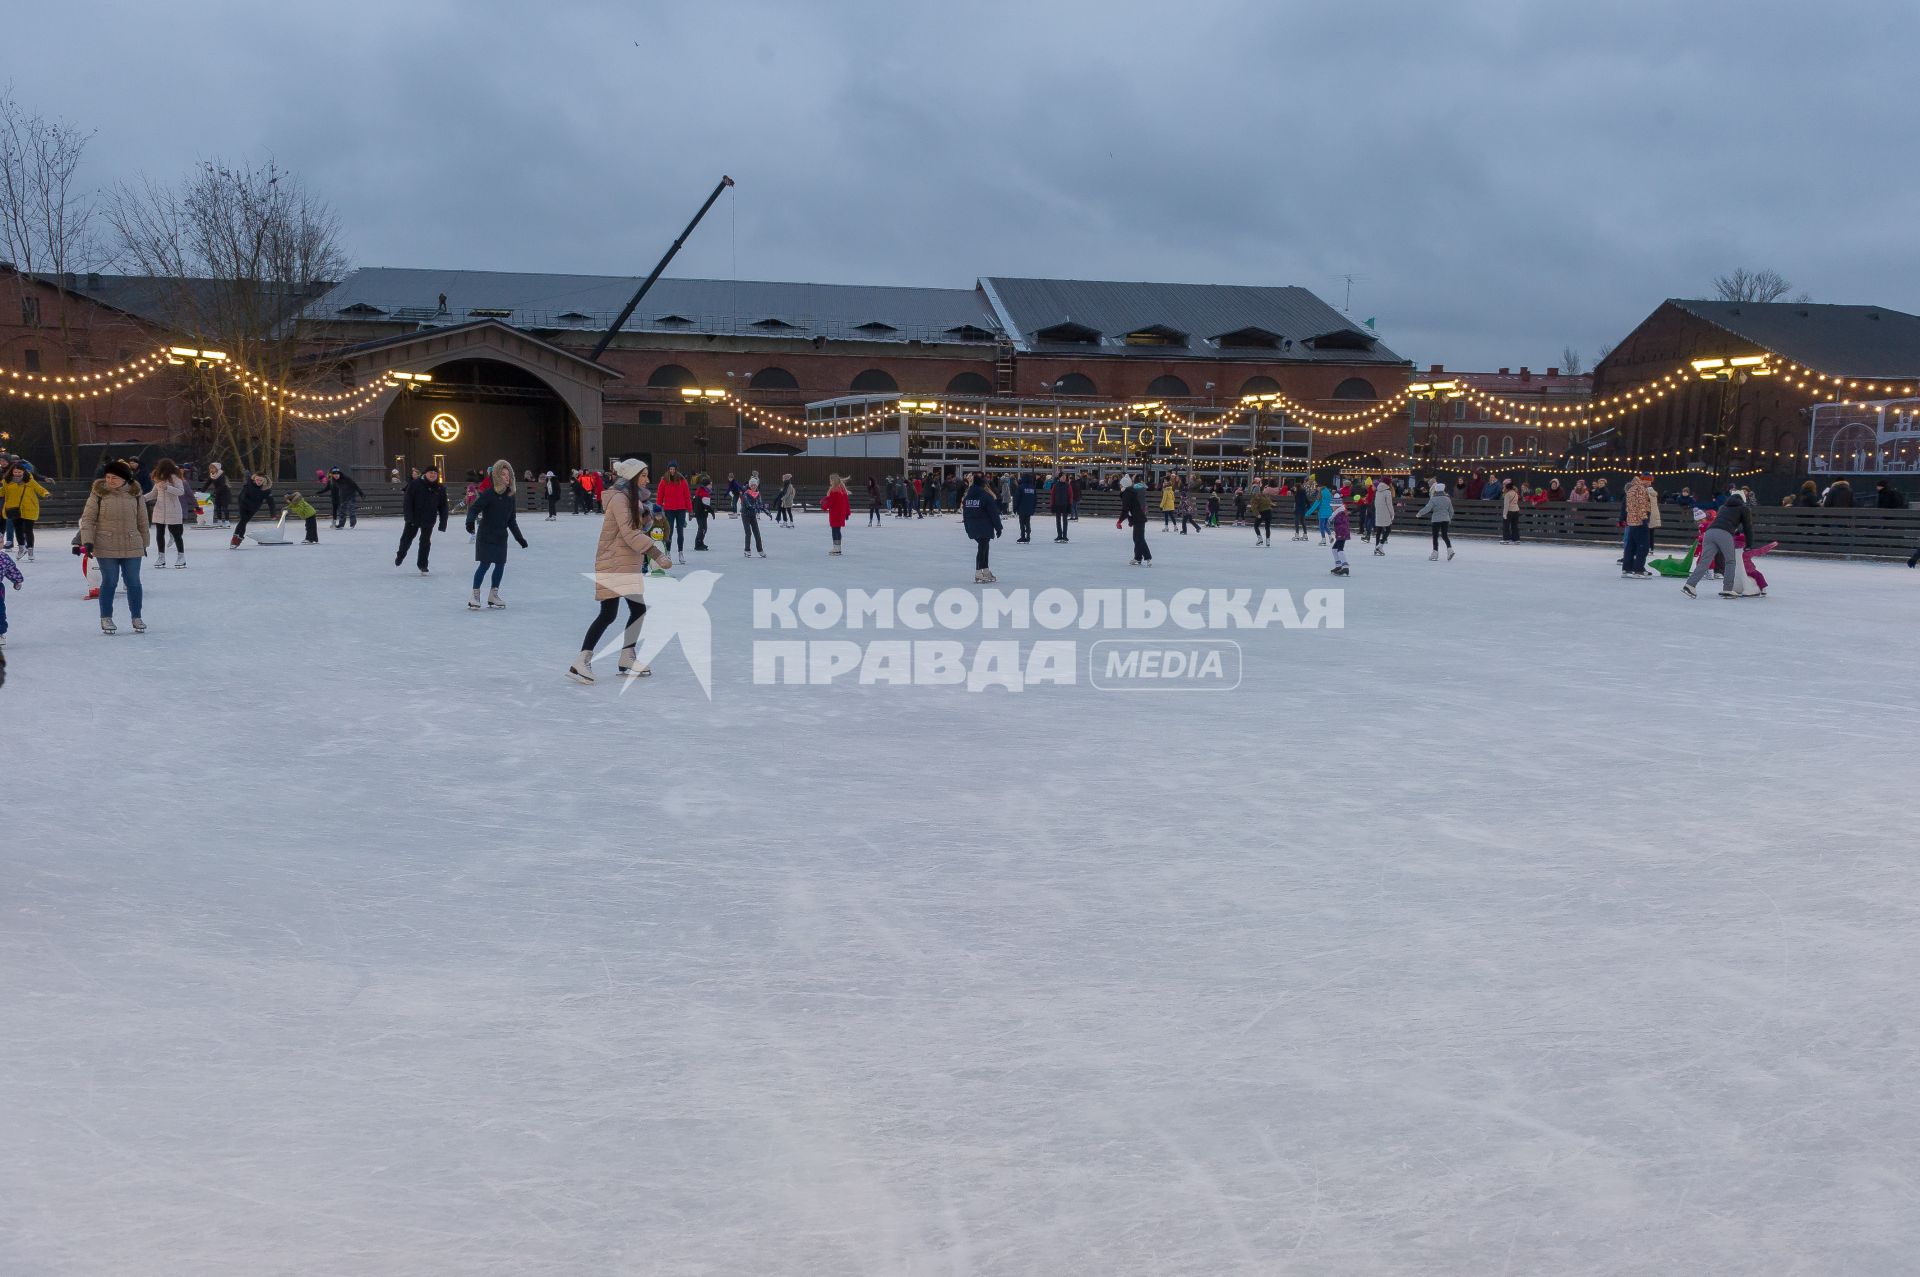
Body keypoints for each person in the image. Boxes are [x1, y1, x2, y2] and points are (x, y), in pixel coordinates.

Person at [568, 458, 672, 683]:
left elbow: (634, 528)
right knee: (609, 614)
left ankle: (627, 656)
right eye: (643, 475)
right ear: (633, 477)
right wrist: (655, 553)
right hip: (614, 563)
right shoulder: (619, 499)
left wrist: (646, 517)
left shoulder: (633, 499)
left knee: (637, 610)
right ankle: (581, 661)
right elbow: (628, 533)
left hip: (625, 563)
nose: (648, 479)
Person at [79, 460, 150, 634]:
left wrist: (144, 542)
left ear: (125, 478)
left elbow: (142, 520)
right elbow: (88, 519)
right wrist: (87, 541)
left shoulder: (135, 493)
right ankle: (106, 617)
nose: (110, 481)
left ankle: (136, 616)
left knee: (133, 582)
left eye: (115, 478)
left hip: (132, 542)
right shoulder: (99, 493)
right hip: (106, 544)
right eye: (108, 477)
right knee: (110, 581)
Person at [464, 459, 527, 609]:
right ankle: (475, 594)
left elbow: (511, 520)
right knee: (484, 565)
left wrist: (519, 538)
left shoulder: (510, 496)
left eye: (509, 475)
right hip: (486, 535)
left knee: (500, 565)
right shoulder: (489, 494)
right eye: (503, 474)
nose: (507, 477)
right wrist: (469, 521)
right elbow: (474, 509)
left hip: (500, 536)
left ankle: (493, 595)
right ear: (497, 476)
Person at [1684, 489, 1751, 598]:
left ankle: (1690, 585)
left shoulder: (1723, 507)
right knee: (1730, 561)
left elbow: (1725, 521)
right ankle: (1728, 589)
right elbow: (1748, 528)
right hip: (1724, 534)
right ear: (1742, 500)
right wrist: (1749, 545)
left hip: (1709, 533)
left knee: (1705, 562)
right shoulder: (1743, 508)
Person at [397, 465, 449, 573]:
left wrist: (443, 523)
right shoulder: (415, 484)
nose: (433, 475)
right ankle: (401, 555)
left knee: (425, 542)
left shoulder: (440, 488)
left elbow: (443, 506)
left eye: (435, 473)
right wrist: (408, 517)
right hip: (414, 517)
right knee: (407, 539)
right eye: (431, 473)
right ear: (425, 474)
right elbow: (407, 501)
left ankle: (423, 564)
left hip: (429, 518)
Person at [145, 458, 189, 568]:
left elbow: (181, 492)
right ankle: (161, 557)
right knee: (160, 534)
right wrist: (141, 498)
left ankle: (181, 556)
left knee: (176, 534)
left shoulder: (175, 478)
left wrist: (168, 488)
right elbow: (153, 493)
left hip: (173, 510)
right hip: (159, 510)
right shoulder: (158, 479)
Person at [2, 462, 51, 561]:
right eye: (15, 472)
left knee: (28, 530)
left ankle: (30, 550)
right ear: (12, 472)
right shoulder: (7, 482)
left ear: (23, 472)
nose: (17, 474)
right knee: (18, 529)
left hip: (29, 508)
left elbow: (39, 489)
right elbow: (2, 492)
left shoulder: (29, 480)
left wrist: (46, 494)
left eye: (19, 472)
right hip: (13, 508)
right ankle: (21, 548)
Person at [962, 471, 1002, 582]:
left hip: (972, 526)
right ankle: (978, 572)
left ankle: (985, 570)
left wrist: (967, 527)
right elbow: (993, 513)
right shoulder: (986, 496)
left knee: (984, 546)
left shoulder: (967, 498)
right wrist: (998, 527)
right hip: (984, 526)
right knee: (983, 548)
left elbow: (965, 514)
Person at [1621, 473, 1655, 577]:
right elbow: (1641, 505)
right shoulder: (1640, 489)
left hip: (1632, 521)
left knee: (1630, 546)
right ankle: (1638, 569)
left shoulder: (1631, 488)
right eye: (1649, 481)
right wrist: (1644, 519)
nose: (1650, 483)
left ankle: (1627, 569)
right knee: (1643, 546)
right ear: (1644, 480)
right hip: (1639, 521)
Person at [656, 464, 692, 553]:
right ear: (668, 469)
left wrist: (690, 510)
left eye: (673, 469)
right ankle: (668, 551)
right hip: (669, 509)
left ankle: (680, 551)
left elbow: (687, 496)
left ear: (676, 469)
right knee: (669, 531)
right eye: (670, 469)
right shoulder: (664, 481)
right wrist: (658, 509)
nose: (672, 471)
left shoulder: (682, 481)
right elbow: (660, 496)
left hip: (681, 509)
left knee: (680, 531)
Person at [1118, 473, 1152, 565]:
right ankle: (1138, 558)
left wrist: (1120, 521)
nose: (1119, 486)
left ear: (1124, 485)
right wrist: (1130, 520)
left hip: (1139, 518)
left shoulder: (1127, 493)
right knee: (1137, 538)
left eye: (1120, 484)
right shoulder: (1130, 492)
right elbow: (1131, 508)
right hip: (1138, 517)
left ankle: (1147, 557)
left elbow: (1126, 509)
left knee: (1139, 538)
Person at [1416, 480, 1454, 560]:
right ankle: (1450, 549)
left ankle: (1435, 553)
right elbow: (1451, 511)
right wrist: (1449, 518)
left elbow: (1427, 508)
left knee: (1435, 537)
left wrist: (1420, 513)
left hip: (1436, 520)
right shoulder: (1447, 499)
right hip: (1445, 519)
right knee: (1445, 535)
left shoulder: (1433, 499)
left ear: (1436, 490)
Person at [822, 473, 851, 555]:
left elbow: (831, 502)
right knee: (837, 530)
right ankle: (838, 548)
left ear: (833, 480)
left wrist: (823, 503)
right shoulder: (842, 489)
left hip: (835, 513)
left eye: (830, 480)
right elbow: (846, 503)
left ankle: (836, 548)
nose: (829, 481)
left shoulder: (834, 490)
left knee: (834, 530)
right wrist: (847, 513)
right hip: (840, 513)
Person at [740, 472, 766, 557]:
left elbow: (760, 503)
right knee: (748, 533)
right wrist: (758, 507)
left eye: (755, 485)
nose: (754, 486)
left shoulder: (758, 494)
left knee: (757, 533)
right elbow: (749, 505)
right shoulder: (746, 494)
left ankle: (760, 550)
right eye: (752, 485)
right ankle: (747, 550)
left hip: (752, 515)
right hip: (745, 515)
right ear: (750, 486)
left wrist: (765, 510)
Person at [1328, 495, 1352, 576]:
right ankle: (1338, 565)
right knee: (1334, 549)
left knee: (1340, 549)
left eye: (1333, 506)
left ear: (1337, 506)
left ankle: (1345, 567)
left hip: (1342, 533)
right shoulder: (1337, 513)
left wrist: (1331, 521)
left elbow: (1343, 524)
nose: (1332, 508)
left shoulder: (1340, 513)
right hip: (1340, 533)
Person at [0, 546, 19, 647]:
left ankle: (0, 633)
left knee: (0, 611)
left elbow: (11, 569)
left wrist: (17, 580)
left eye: (1, 541)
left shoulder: (3, 558)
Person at [1049, 468, 1074, 542]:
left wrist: (1070, 504)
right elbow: (1052, 495)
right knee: (1058, 521)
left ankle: (1064, 536)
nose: (1064, 478)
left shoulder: (1068, 485)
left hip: (1065, 505)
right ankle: (1059, 535)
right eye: (1062, 477)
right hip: (1057, 505)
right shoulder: (1055, 485)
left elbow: (1070, 495)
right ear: (1059, 477)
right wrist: (1052, 505)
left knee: (1065, 521)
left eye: (1065, 477)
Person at [203, 461, 231, 526]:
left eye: (212, 468)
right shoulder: (212, 475)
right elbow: (207, 484)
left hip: (224, 493)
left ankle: (227, 521)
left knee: (224, 507)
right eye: (210, 468)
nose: (211, 470)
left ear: (217, 468)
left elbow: (222, 485)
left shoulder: (221, 475)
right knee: (218, 507)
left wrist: (214, 493)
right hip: (217, 493)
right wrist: (201, 491)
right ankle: (219, 521)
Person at [1372, 478, 1396, 554]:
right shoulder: (1387, 492)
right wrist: (1392, 513)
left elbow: (1375, 503)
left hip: (1378, 512)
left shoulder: (1377, 491)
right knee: (1388, 529)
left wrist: (1377, 511)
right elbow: (1389, 504)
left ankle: (1376, 547)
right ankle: (1380, 545)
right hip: (1385, 513)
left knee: (1378, 531)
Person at [1013, 472, 1038, 543]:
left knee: (1022, 522)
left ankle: (1023, 536)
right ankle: (1028, 536)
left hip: (1022, 508)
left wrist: (1015, 508)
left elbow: (1017, 499)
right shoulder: (1032, 487)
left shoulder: (1020, 487)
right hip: (1030, 508)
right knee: (1027, 522)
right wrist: (1033, 507)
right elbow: (1035, 499)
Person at [693, 473, 714, 548]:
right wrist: (712, 511)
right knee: (703, 528)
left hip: (699, 512)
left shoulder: (700, 491)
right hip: (701, 513)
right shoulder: (704, 493)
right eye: (710, 485)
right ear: (706, 485)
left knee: (702, 528)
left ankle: (700, 542)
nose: (711, 486)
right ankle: (698, 544)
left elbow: (694, 501)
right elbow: (706, 506)